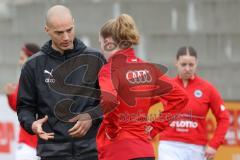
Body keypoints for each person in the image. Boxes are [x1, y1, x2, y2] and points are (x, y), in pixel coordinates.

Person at [17, 5, 105, 160]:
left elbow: (111, 100)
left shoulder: (96, 59)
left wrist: (91, 116)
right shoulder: (33, 65)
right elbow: (24, 107)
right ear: (47, 30)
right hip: (52, 152)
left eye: (69, 30)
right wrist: (32, 125)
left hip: (92, 150)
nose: (66, 37)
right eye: (59, 32)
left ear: (74, 23)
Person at [95, 14, 189, 160]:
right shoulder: (149, 69)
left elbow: (109, 101)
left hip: (117, 152)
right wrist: (155, 127)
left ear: (108, 42)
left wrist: (112, 130)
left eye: (100, 43)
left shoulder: (110, 69)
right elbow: (181, 97)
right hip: (145, 151)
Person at [157, 46, 230, 160]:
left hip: (196, 148)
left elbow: (224, 118)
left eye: (191, 65)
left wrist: (214, 144)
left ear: (196, 64)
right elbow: (142, 104)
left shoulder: (207, 88)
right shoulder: (166, 86)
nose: (187, 68)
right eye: (183, 64)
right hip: (169, 145)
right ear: (176, 63)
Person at [4, 43, 40, 160]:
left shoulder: (37, 80)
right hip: (37, 145)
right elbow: (19, 107)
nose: (20, 62)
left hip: (32, 144)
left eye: (22, 58)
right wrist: (11, 95)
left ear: (31, 59)